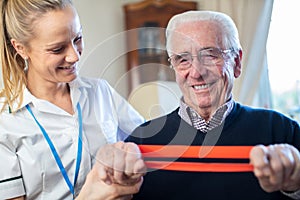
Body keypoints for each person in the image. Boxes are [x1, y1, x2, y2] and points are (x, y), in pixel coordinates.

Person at [125, 10, 300, 200]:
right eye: (183, 59)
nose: (196, 72)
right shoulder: (141, 142)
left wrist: (294, 186)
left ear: (237, 62)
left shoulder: (282, 132)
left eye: (210, 55)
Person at [0, 0, 146, 199]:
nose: (74, 56)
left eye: (77, 38)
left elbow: (147, 142)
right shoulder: (5, 120)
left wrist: (133, 152)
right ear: (21, 48)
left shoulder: (100, 92)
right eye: (57, 49)